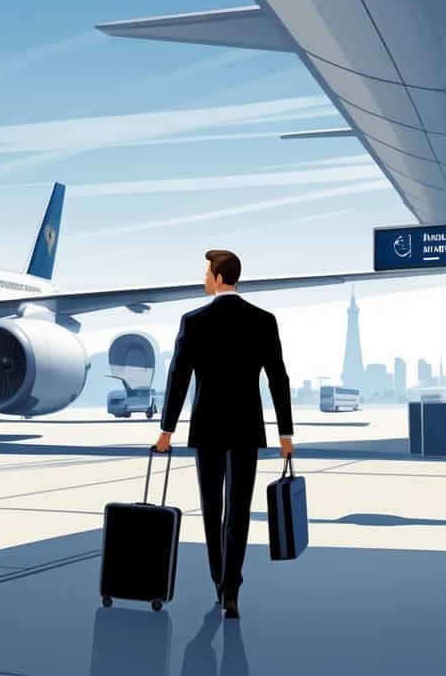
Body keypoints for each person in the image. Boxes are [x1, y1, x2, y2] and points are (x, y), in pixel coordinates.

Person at [154, 249, 293, 619]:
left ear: (218, 278)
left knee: (212, 507)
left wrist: (167, 430)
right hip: (247, 427)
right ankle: (232, 587)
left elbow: (178, 378)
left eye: (206, 273)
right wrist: (285, 433)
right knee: (239, 509)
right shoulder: (263, 320)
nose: (204, 279)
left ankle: (219, 580)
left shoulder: (194, 321)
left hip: (208, 427)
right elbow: (278, 378)